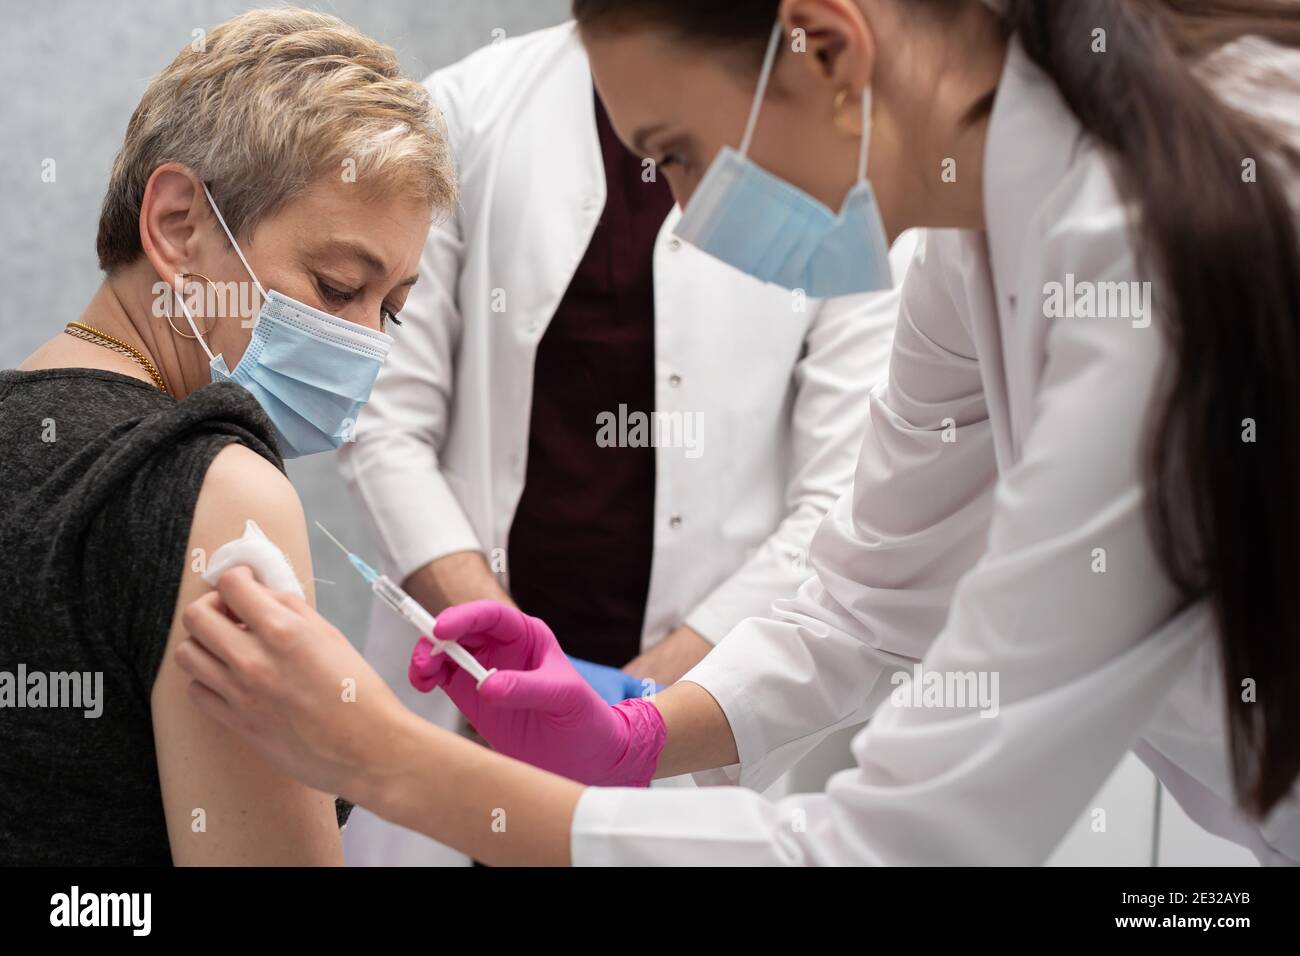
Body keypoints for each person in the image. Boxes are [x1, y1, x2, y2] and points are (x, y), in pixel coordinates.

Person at [176, 0, 1300, 865]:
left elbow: (886, 850)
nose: (676, 207)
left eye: (677, 153)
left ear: (824, 48)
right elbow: (866, 592)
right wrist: (642, 734)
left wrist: (384, 758)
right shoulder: (976, 238)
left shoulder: (1142, 259)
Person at [335, 21, 912, 866]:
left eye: (681, 153)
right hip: (457, 708)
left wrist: (632, 710)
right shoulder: (470, 111)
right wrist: (499, 668)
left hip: (697, 712)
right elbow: (385, 423)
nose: (683, 195)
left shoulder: (842, 176)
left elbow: (844, 506)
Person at [0, 8, 454, 865]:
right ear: (178, 226)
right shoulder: (220, 489)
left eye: (391, 308)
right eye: (338, 285)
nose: (369, 346)